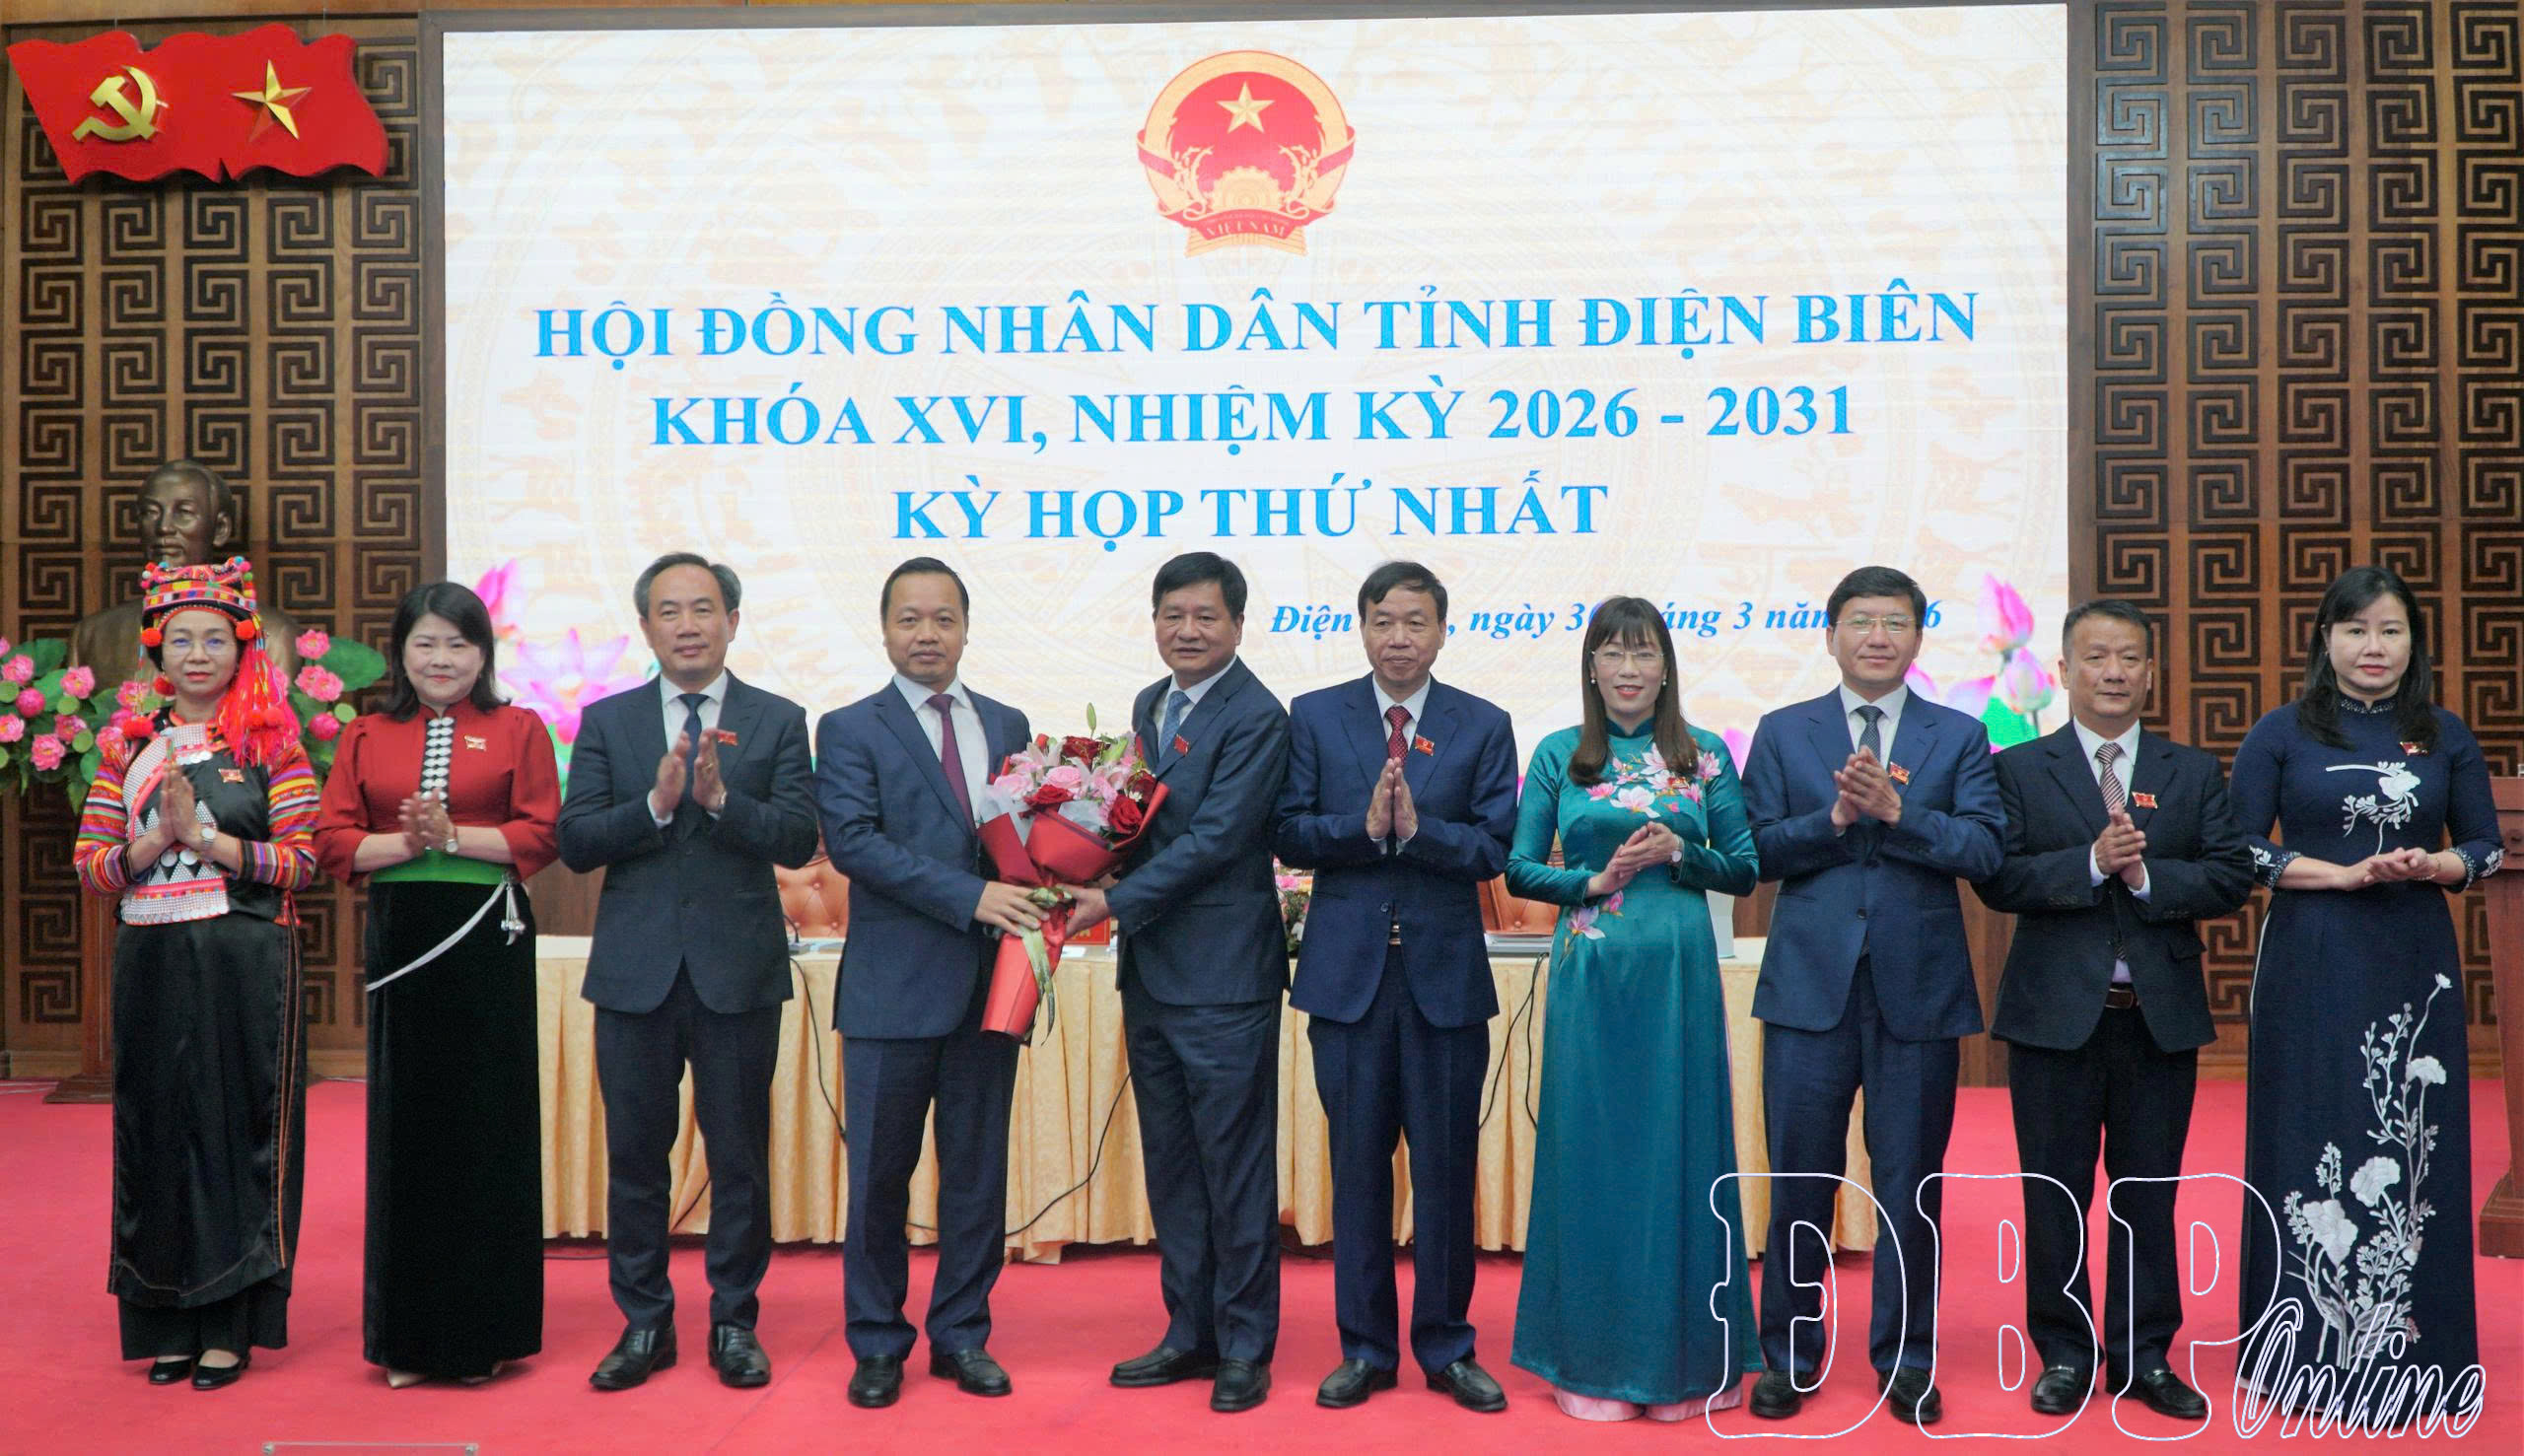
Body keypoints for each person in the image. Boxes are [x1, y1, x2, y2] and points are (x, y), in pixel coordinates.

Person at [2230, 565, 2499, 1427]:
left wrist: (2436, 863)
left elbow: (2486, 845)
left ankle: (2419, 1348)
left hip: (2414, 957)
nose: (2372, 646)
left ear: (2413, 641)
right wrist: (2340, 874)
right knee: (2308, 1123)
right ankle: (2301, 1349)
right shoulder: (2282, 730)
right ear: (2326, 639)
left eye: (2389, 630)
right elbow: (2238, 846)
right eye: (2355, 630)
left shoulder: (2444, 733)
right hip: (2311, 949)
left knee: (2410, 1135)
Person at [1973, 599, 2252, 1421]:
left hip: (2156, 1017)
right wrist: (2092, 863)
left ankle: (2144, 1354)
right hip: (2053, 1017)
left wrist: (2145, 877)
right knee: (2054, 1193)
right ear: (2064, 670)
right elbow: (1999, 878)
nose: (2114, 672)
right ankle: (2065, 1351)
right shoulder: (2019, 768)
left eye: (2129, 657)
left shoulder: (2190, 769)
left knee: (2148, 1193)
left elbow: (2231, 875)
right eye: (2095, 656)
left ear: (2150, 672)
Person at [1738, 564, 2003, 1425]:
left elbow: (1984, 851)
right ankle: (1788, 1356)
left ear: (1918, 636)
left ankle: (1907, 1360)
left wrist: (1898, 811)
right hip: (1808, 991)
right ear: (1831, 634)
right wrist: (1834, 821)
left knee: (1909, 1188)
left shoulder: (1958, 734)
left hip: (1916, 994)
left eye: (1895, 621)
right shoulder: (1785, 731)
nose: (1878, 636)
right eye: (1861, 620)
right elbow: (1754, 853)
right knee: (1800, 1184)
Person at [557, 552, 818, 1392]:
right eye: (668, 611)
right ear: (645, 626)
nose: (688, 625)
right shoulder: (608, 721)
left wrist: (720, 803)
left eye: (703, 608)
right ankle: (644, 1321)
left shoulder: (779, 719)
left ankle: (735, 1320)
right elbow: (576, 840)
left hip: (737, 972)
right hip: (635, 974)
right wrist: (656, 806)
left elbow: (798, 837)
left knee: (740, 1157)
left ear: (732, 621)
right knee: (637, 1158)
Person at [1504, 595, 1762, 1421]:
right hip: (1590, 976)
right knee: (1591, 1156)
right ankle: (1590, 1361)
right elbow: (1517, 868)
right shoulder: (1559, 755)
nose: (1627, 668)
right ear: (1591, 666)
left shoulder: (1705, 754)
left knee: (1681, 1151)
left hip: (1679, 977)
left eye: (1643, 652)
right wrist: (1596, 879)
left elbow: (1746, 867)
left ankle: (1686, 1361)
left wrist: (1684, 850)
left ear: (1665, 666)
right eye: (1612, 652)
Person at [1274, 562, 1518, 1414]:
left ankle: (1447, 1346)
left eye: (1416, 622)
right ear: (1362, 627)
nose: (1399, 637)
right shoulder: (1316, 715)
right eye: (1384, 621)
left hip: (1443, 983)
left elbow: (1494, 847)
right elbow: (1289, 830)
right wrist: (1364, 827)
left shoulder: (1482, 723)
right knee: (1358, 1170)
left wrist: (1420, 831)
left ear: (1442, 631)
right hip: (1347, 982)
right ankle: (1366, 1348)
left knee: (1447, 1172)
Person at [71, 556, 320, 1390]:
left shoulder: (271, 741)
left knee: (234, 1134)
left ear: (242, 648)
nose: (198, 654)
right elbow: (93, 866)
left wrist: (207, 838)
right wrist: (155, 838)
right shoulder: (125, 746)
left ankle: (228, 1323)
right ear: (157, 651)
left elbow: (301, 861)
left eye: (215, 638)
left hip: (247, 962)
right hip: (151, 961)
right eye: (182, 640)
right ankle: (166, 1318)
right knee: (155, 1131)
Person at [313, 582, 561, 1388]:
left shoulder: (520, 727)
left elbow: (542, 831)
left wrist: (455, 837)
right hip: (402, 931)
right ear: (401, 652)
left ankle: (483, 1333)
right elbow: (332, 838)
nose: (442, 658)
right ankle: (408, 1339)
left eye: (459, 643)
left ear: (483, 653)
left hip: (488, 931)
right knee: (408, 1125)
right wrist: (408, 845)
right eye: (425, 643)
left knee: (487, 1123)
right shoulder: (365, 732)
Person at [1067, 551, 1291, 1414]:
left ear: (1237, 624)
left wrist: (1111, 899)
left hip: (1225, 976)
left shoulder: (1258, 715)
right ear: (1155, 620)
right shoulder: (1148, 705)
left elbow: (1217, 840)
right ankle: (1189, 1328)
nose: (1187, 631)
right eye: (1173, 615)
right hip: (1152, 972)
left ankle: (1245, 1343)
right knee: (1174, 1163)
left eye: (1205, 616)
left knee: (1234, 1165)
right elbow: (1140, 825)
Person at [814, 558, 1034, 1409]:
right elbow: (856, 843)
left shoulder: (1007, 721)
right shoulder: (849, 727)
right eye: (910, 619)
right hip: (891, 988)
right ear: (884, 630)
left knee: (976, 1173)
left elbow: (1028, 833)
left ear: (967, 628)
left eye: (944, 618)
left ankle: (963, 1333)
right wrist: (971, 896)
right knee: (879, 1176)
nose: (928, 634)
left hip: (988, 987)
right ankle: (876, 1340)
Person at [70, 459, 300, 687]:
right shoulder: (92, 635)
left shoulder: (272, 635)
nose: (163, 527)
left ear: (220, 529)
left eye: (184, 512)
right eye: (151, 512)